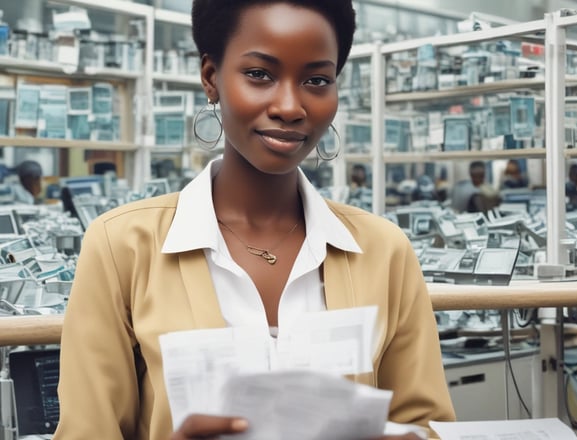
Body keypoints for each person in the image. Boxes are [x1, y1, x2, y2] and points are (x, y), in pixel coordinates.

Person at [54, 1, 455, 439]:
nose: (289, 106)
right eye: (260, 74)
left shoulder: (384, 251)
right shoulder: (122, 247)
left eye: (317, 80)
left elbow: (428, 426)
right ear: (211, 77)